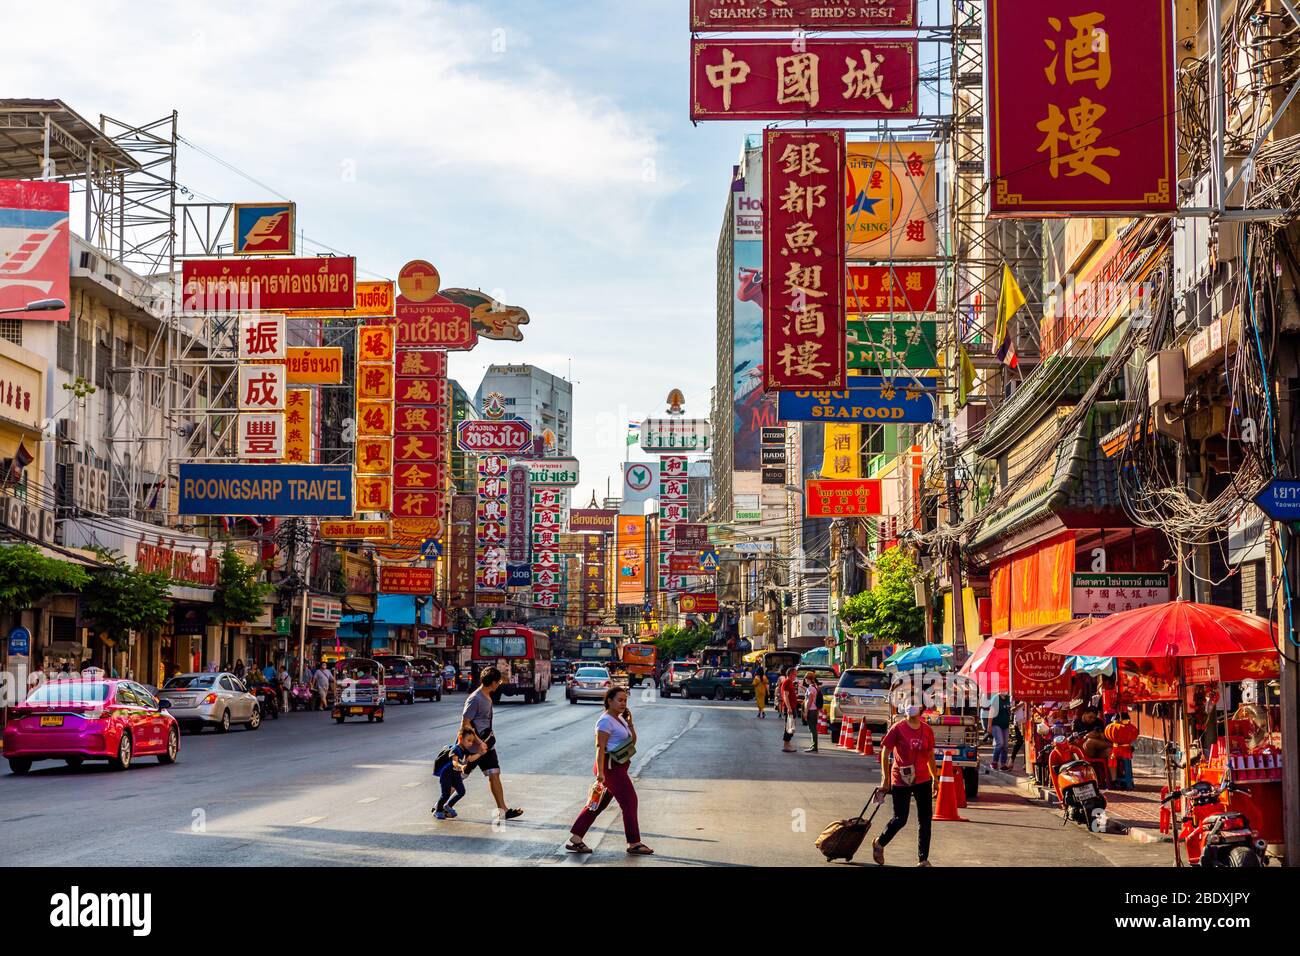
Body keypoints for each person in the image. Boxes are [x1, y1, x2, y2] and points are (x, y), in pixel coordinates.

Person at [565, 686, 653, 855]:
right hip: (610, 768)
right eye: (619, 700)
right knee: (630, 801)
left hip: (618, 767)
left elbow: (632, 741)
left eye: (625, 700)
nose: (623, 703)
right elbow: (600, 747)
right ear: (609, 701)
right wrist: (600, 773)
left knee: (597, 803)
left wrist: (630, 723)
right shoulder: (605, 721)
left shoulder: (619, 719)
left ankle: (576, 837)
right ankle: (634, 843)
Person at [872, 704, 938, 867]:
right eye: (909, 702)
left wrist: (935, 778)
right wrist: (885, 779)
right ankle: (879, 843)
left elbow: (930, 755)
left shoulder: (927, 730)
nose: (912, 706)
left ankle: (923, 859)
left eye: (915, 704)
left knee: (925, 820)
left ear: (921, 709)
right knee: (900, 819)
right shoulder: (898, 728)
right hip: (900, 779)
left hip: (923, 779)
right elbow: (885, 753)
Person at [460, 668, 524, 820]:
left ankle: (503, 810)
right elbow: (465, 723)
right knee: (460, 776)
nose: (499, 684)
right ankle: (440, 804)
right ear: (493, 682)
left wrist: (485, 742)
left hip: (486, 744)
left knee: (494, 773)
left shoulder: (486, 696)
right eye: (498, 682)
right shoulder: (475, 699)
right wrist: (479, 742)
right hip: (474, 746)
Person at [433, 727, 485, 819]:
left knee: (461, 791)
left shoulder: (465, 750)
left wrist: (480, 753)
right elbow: (454, 762)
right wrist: (461, 767)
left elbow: (470, 759)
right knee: (445, 794)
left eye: (472, 741)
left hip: (456, 774)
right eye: (468, 740)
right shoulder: (455, 749)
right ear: (460, 738)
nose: (471, 743)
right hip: (447, 774)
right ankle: (438, 810)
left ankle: (448, 805)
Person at [987, 693, 1011, 772]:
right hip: (996, 724)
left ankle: (1003, 764)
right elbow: (991, 712)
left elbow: (1010, 710)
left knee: (1005, 746)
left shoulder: (1009, 698)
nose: (1005, 690)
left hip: (1005, 725)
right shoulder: (996, 698)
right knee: (1000, 743)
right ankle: (994, 762)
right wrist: (989, 725)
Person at [779, 667, 799, 753]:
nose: (796, 676)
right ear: (790, 674)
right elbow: (785, 696)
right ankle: (786, 745)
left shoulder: (790, 682)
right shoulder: (787, 682)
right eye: (795, 674)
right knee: (789, 726)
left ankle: (788, 744)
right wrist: (789, 708)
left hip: (792, 706)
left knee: (791, 726)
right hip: (790, 708)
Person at [803, 674, 824, 753]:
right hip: (814, 710)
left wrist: (806, 712)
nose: (805, 680)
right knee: (813, 728)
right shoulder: (814, 687)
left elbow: (809, 700)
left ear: (808, 679)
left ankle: (814, 747)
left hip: (811, 710)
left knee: (812, 729)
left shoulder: (811, 688)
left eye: (805, 678)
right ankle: (814, 746)